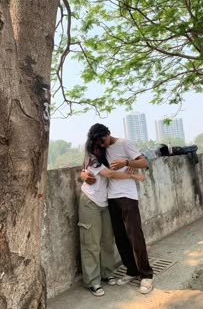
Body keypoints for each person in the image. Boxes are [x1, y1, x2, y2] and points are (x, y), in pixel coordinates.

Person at [81, 123, 154, 294]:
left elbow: (144, 162)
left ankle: (146, 275)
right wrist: (83, 175)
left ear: (108, 133)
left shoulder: (124, 143)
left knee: (135, 235)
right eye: (99, 142)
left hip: (127, 195)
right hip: (110, 197)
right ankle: (132, 270)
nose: (103, 144)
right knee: (120, 237)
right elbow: (85, 168)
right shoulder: (99, 149)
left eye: (103, 140)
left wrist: (128, 162)